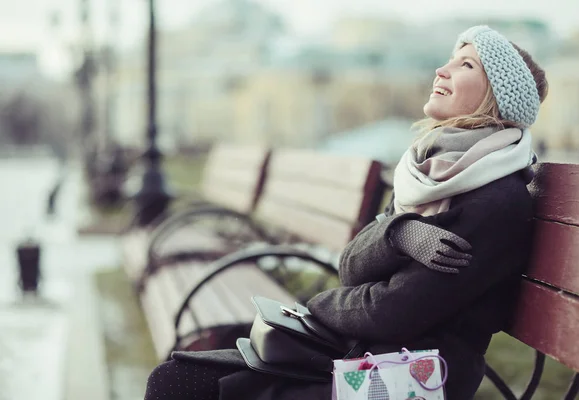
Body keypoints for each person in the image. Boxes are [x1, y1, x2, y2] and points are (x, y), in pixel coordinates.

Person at [144, 25, 548, 400]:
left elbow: (394, 313)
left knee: (181, 385)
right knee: (177, 377)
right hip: (367, 351)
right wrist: (396, 232)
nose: (442, 70)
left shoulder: (495, 201)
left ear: (496, 95)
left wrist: (316, 305)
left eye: (466, 64)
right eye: (450, 58)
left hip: (413, 376)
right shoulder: (430, 173)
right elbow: (351, 266)